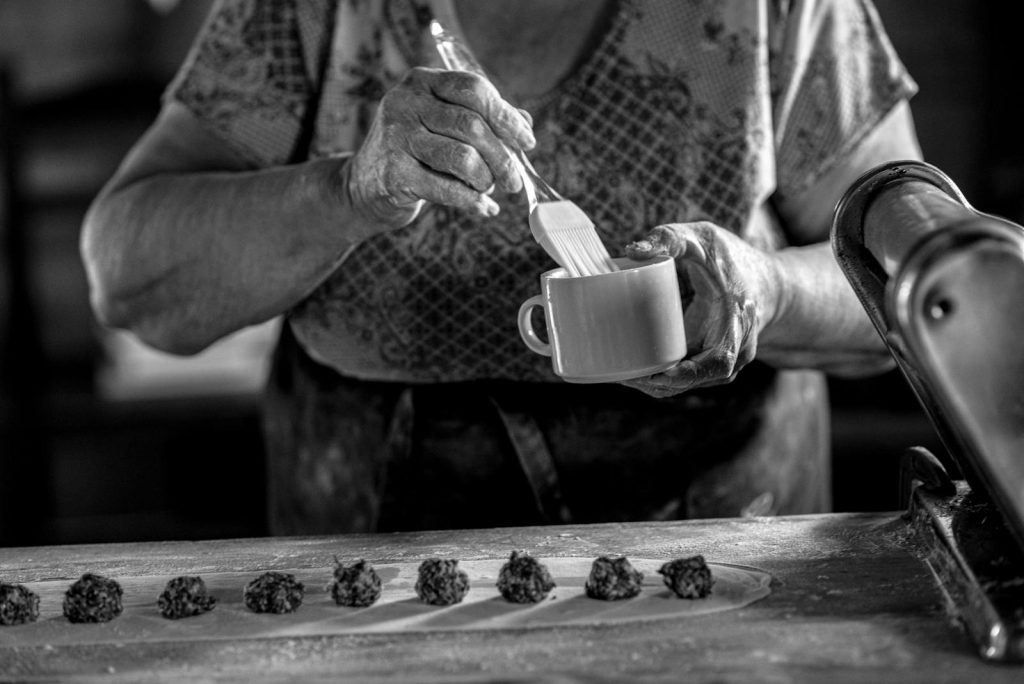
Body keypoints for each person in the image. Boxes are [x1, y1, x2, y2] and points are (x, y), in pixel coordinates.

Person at [81, 0, 922, 534]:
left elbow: (914, 284)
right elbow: (127, 278)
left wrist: (767, 292)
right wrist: (349, 190)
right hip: (372, 568)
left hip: (720, 562)